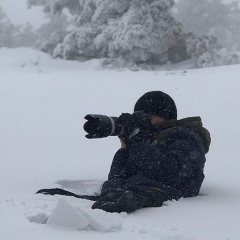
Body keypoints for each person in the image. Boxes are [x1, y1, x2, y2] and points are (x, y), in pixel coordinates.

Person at [91, 91, 211, 213]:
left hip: (171, 201)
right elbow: (117, 178)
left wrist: (138, 143)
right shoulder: (149, 139)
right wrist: (125, 148)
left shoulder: (184, 135)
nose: (143, 119)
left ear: (164, 115)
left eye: (148, 115)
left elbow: (171, 174)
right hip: (138, 190)